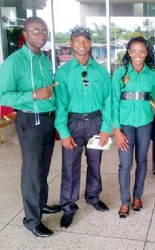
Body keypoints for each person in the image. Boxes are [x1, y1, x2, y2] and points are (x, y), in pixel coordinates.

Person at [0, 16, 60, 238]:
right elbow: (3, 97)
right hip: (29, 121)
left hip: (48, 120)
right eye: (36, 31)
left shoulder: (44, 60)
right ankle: (32, 220)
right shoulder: (13, 62)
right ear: (25, 33)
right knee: (32, 171)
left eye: (44, 31)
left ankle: (41, 204)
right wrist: (34, 95)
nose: (41, 35)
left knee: (43, 167)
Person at [54, 26, 112, 228]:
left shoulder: (101, 71)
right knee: (70, 166)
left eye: (85, 40)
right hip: (73, 122)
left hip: (96, 122)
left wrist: (106, 127)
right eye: (77, 40)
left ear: (90, 43)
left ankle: (93, 196)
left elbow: (108, 100)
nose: (81, 44)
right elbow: (60, 104)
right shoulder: (63, 73)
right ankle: (69, 206)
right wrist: (63, 131)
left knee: (95, 162)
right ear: (71, 44)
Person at [112, 36, 155, 218]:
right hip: (126, 125)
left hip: (145, 123)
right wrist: (117, 130)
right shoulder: (120, 73)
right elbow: (113, 102)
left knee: (142, 161)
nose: (137, 54)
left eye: (142, 51)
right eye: (134, 51)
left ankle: (137, 196)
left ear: (146, 53)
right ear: (129, 52)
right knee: (125, 164)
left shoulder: (153, 75)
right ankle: (125, 201)